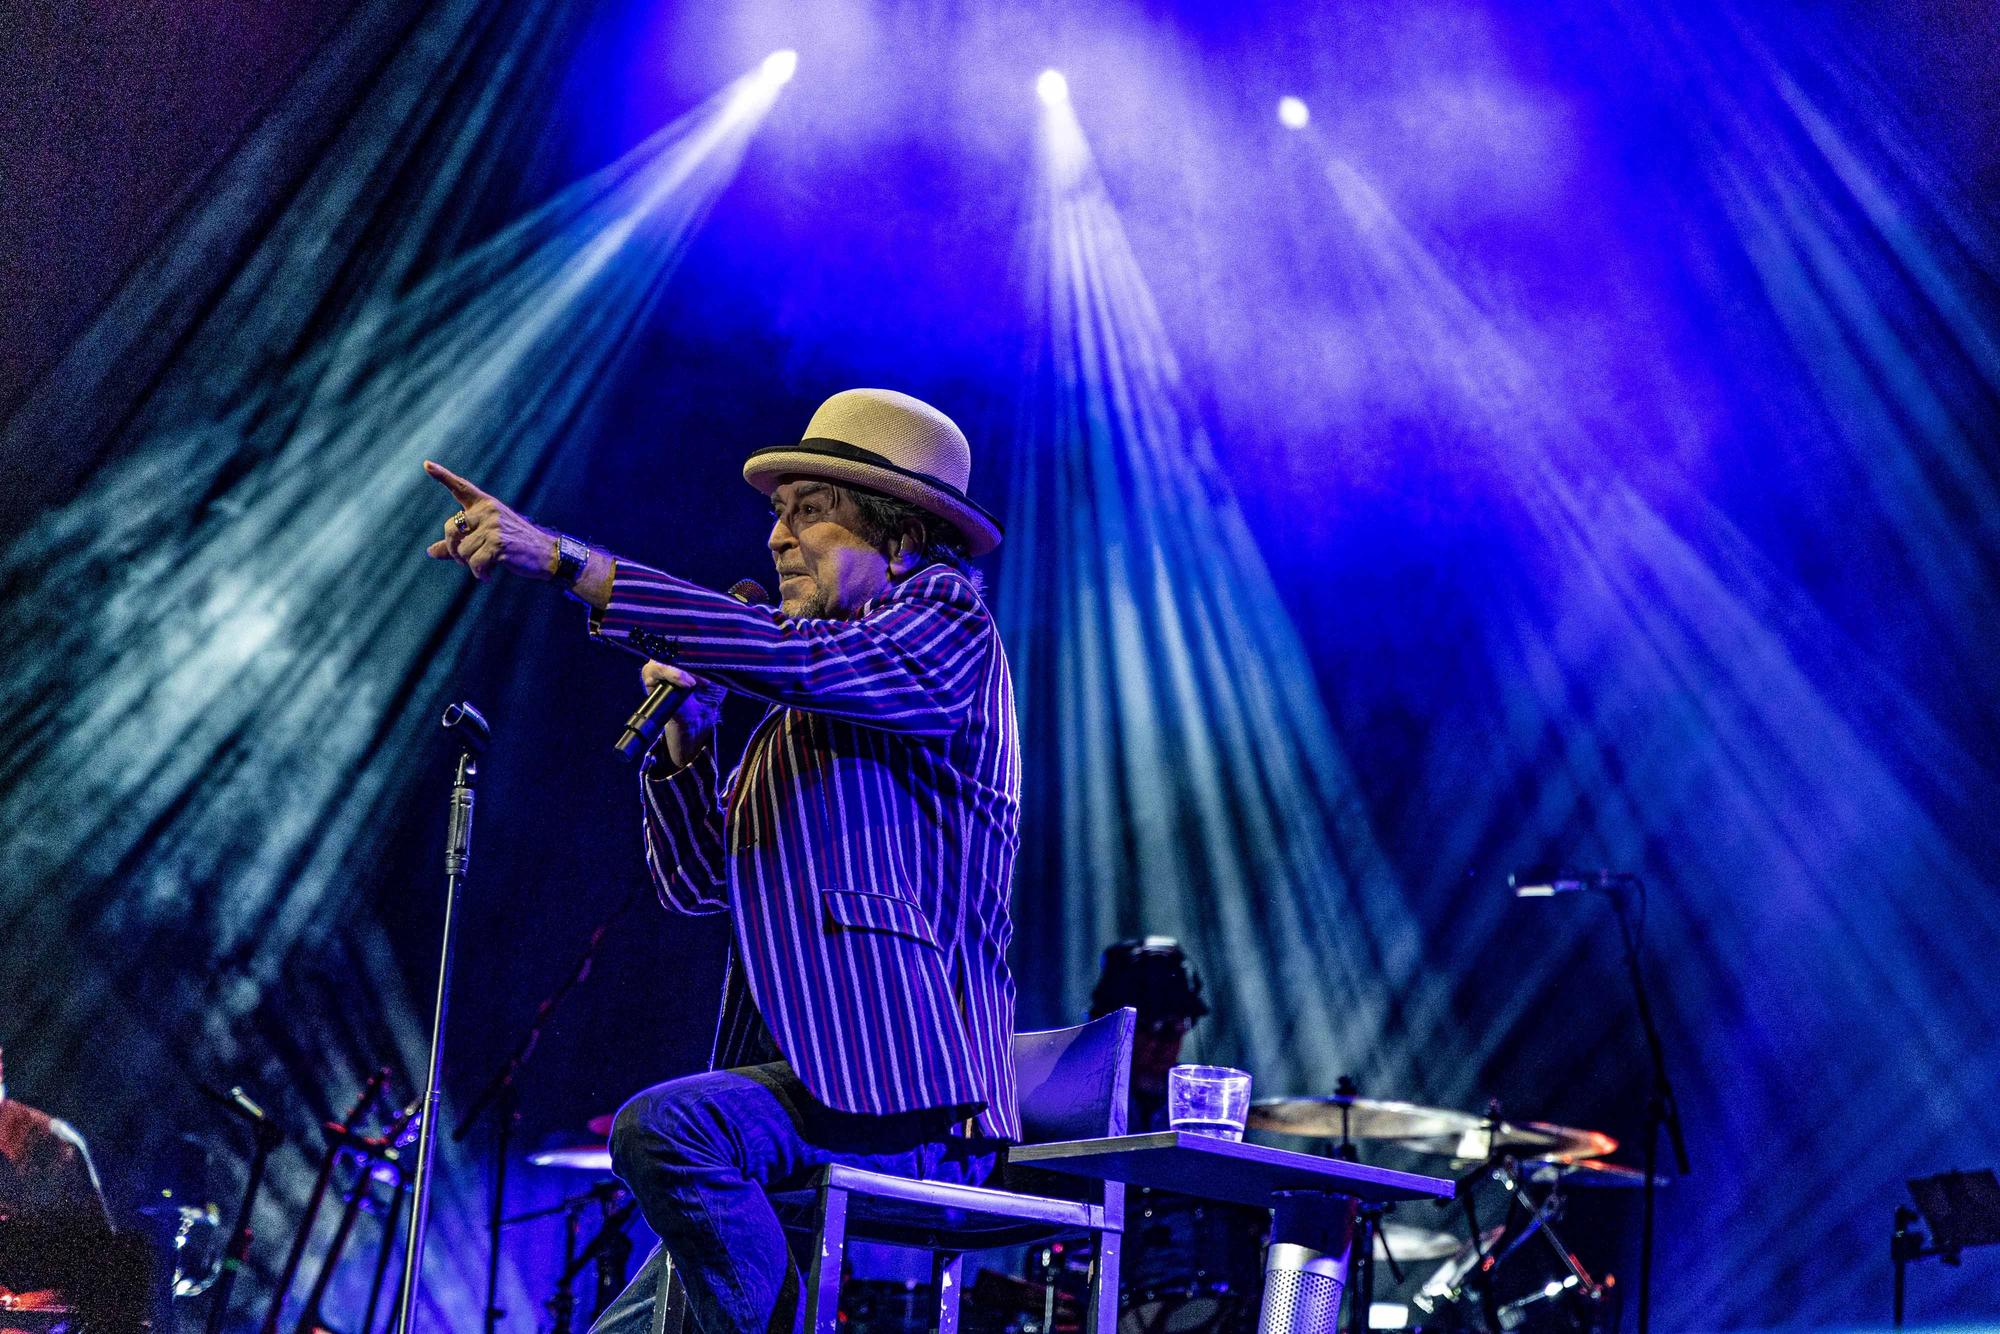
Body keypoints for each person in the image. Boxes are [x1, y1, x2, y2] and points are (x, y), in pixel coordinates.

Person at [424, 387, 1020, 1334]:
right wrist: (689, 746)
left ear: (900, 537)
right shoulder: (805, 707)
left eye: (810, 513)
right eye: (776, 516)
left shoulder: (947, 626)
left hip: (909, 1092)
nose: (778, 539)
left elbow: (793, 660)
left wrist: (567, 561)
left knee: (665, 1129)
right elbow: (699, 883)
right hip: (812, 1087)